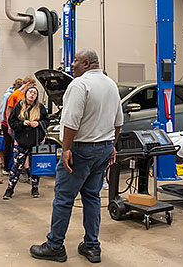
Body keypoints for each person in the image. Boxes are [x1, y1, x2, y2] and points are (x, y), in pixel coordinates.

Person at [30, 48, 123, 263]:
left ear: (88, 63)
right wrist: (112, 146)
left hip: (81, 150)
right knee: (91, 196)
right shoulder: (110, 84)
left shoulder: (79, 85)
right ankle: (92, 246)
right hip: (103, 148)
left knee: (63, 199)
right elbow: (118, 121)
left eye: (76, 61)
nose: (72, 65)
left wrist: (66, 149)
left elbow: (71, 121)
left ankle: (55, 246)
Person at [3, 86, 49, 199]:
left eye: (34, 93)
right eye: (30, 92)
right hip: (21, 141)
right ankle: (10, 189)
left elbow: (47, 121)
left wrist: (38, 124)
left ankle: (35, 188)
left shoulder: (41, 107)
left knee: (35, 167)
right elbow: (12, 121)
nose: (32, 94)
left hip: (36, 142)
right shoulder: (19, 106)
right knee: (16, 167)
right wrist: (22, 124)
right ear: (26, 94)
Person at [0, 78, 22, 174]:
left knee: (15, 145)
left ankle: (14, 166)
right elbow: (5, 110)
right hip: (6, 123)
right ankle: (6, 167)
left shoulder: (18, 95)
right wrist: (7, 124)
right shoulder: (9, 95)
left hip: (14, 123)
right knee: (8, 145)